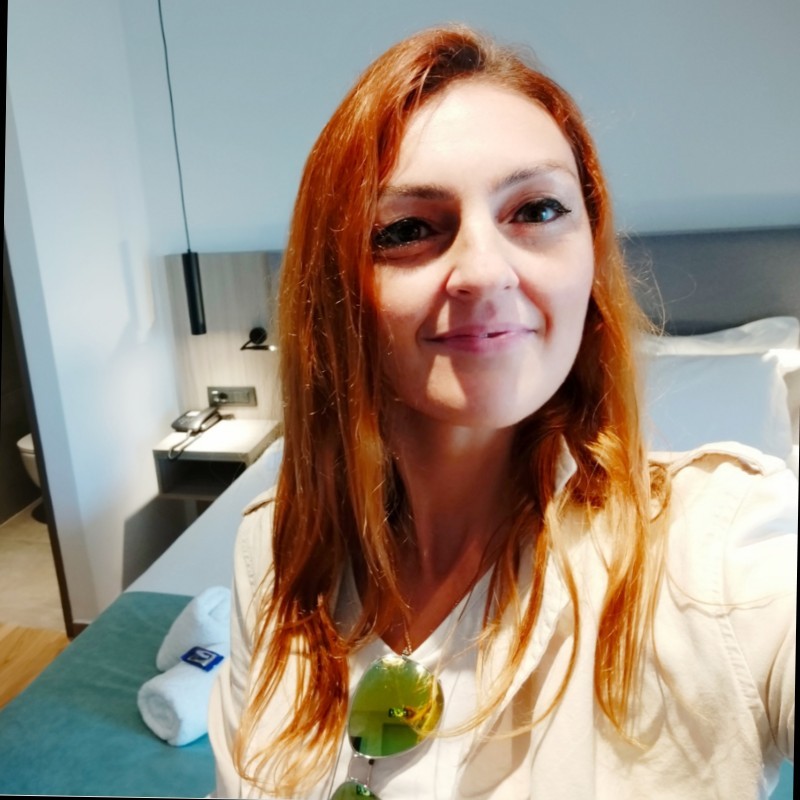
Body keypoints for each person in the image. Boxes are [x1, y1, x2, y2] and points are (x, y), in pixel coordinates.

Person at [209, 25, 795, 799]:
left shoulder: (716, 550)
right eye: (407, 229)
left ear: (589, 256)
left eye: (536, 209)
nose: (484, 271)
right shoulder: (273, 551)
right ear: (338, 290)